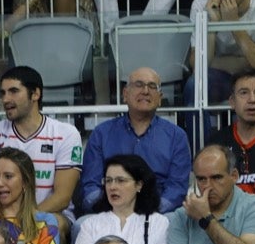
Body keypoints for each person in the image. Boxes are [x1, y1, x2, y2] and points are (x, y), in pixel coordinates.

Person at [0, 66, 81, 222]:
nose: (5, 99)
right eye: (3, 93)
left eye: (13, 91)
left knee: (54, 225)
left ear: (35, 94)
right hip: (4, 216)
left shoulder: (66, 133)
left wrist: (23, 220)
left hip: (49, 214)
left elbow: (62, 198)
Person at [81, 68, 192, 215]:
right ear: (125, 94)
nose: (145, 91)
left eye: (152, 86)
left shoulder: (177, 137)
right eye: (139, 85)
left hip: (158, 213)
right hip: (109, 210)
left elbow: (177, 189)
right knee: (79, 226)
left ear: (160, 98)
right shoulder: (102, 133)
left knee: (173, 223)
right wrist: (113, 209)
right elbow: (90, 186)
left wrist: (150, 211)